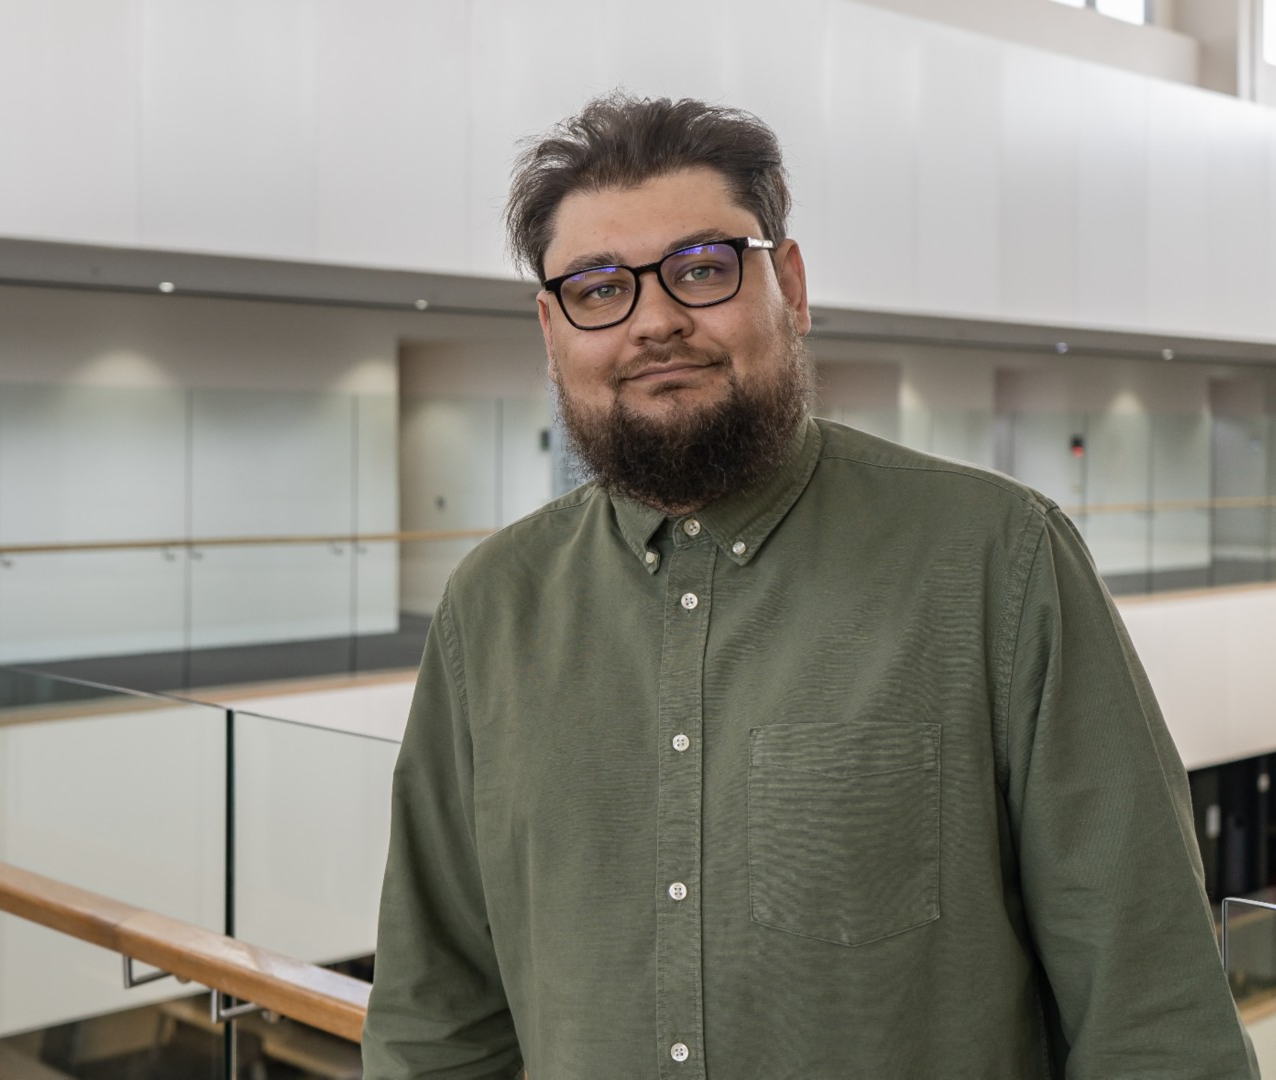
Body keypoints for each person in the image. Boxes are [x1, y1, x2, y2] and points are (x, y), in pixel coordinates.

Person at [359, 93, 1258, 1079]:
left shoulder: (1000, 563)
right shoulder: (490, 608)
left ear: (787, 284)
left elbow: (1151, 1019)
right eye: (599, 288)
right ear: (550, 327)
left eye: (702, 269)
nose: (654, 321)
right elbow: (434, 1025)